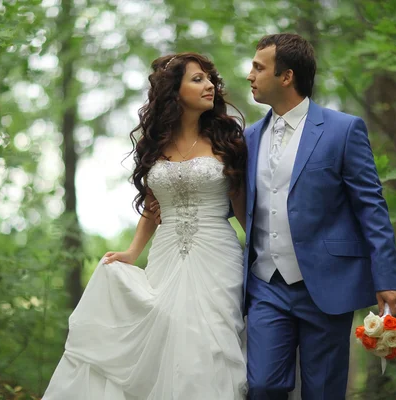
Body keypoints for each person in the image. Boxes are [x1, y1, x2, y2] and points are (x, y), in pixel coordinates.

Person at [42, 52, 249, 400]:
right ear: (174, 90)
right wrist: (132, 252)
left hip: (218, 255)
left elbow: (244, 209)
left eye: (210, 79)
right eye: (197, 79)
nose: (209, 85)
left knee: (209, 342)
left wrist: (259, 256)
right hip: (167, 251)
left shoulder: (227, 141)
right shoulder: (156, 144)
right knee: (167, 335)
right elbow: (152, 208)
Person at [243, 33, 396, 399]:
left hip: (327, 284)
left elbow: (371, 206)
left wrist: (387, 277)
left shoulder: (343, 129)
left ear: (287, 76)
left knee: (324, 392)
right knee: (263, 385)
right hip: (266, 284)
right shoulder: (249, 137)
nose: (249, 75)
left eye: (258, 67)